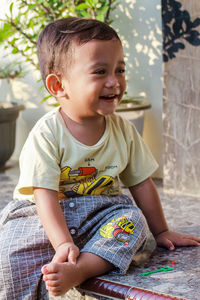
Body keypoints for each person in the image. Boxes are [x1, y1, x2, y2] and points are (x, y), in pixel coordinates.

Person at [0, 17, 200, 299]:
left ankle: (81, 269)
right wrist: (62, 243)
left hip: (101, 215)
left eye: (120, 69)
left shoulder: (124, 131)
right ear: (59, 86)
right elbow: (43, 195)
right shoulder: (46, 134)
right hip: (46, 216)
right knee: (9, 251)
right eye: (100, 71)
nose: (114, 82)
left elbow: (141, 183)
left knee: (133, 221)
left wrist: (162, 230)